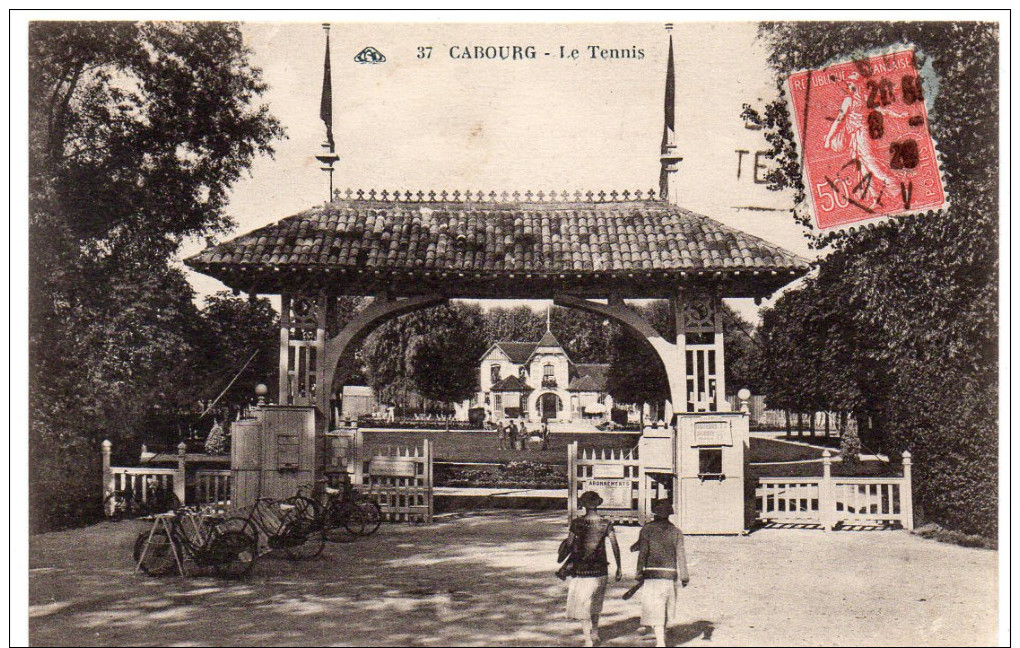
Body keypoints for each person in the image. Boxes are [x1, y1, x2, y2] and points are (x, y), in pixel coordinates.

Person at [563, 490, 622, 647]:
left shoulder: (576, 523)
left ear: (582, 504)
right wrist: (619, 567)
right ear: (598, 503)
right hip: (601, 569)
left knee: (583, 605)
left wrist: (564, 559)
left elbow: (569, 545)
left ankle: (588, 639)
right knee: (596, 602)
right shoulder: (605, 523)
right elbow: (615, 545)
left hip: (581, 570)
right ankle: (595, 632)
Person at [631, 498, 689, 647]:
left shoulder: (647, 529)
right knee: (665, 606)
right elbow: (680, 554)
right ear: (670, 513)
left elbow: (643, 552)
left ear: (654, 512)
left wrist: (639, 571)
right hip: (670, 575)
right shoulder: (676, 531)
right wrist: (684, 575)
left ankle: (660, 642)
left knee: (654, 608)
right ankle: (662, 636)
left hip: (652, 574)